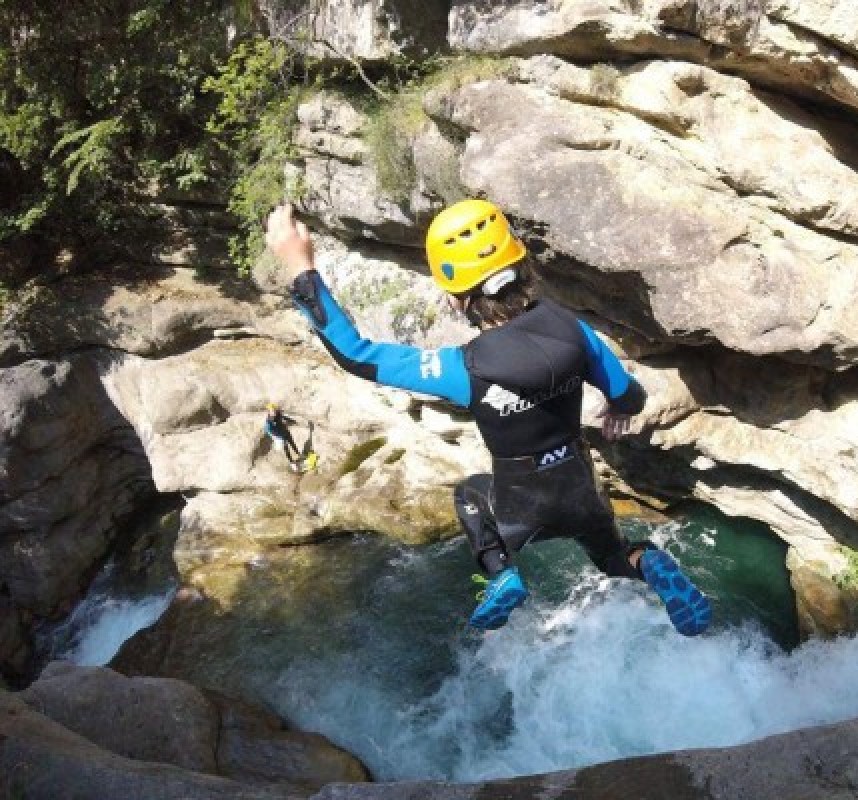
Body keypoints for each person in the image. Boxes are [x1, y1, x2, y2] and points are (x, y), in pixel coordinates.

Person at [265, 200, 711, 635]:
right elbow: (630, 398)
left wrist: (301, 269)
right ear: (522, 266)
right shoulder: (575, 331)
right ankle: (649, 565)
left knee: (470, 496)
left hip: (519, 506)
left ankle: (501, 572)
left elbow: (357, 355)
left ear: (457, 300)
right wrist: (617, 407)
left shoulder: (464, 367)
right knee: (614, 557)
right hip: (580, 491)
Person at [264, 403, 303, 468]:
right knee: (286, 449)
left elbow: (284, 417)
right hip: (280, 436)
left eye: (275, 409)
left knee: (292, 443)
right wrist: (277, 438)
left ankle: (299, 454)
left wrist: (292, 421)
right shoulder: (269, 421)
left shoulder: (278, 413)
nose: (274, 411)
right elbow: (268, 431)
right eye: (272, 410)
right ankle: (292, 462)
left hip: (285, 431)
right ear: (269, 411)